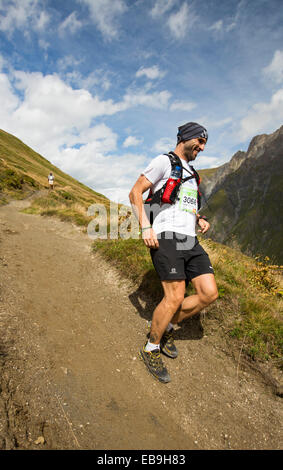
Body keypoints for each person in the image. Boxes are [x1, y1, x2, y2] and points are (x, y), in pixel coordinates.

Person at [129, 122, 218, 383]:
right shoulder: (164, 162)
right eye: (199, 142)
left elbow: (182, 204)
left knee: (208, 293)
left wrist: (199, 218)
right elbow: (135, 192)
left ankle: (164, 327)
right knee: (175, 296)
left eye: (204, 144)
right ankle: (151, 347)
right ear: (187, 138)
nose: (201, 148)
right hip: (166, 236)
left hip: (190, 240)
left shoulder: (192, 173)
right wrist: (145, 226)